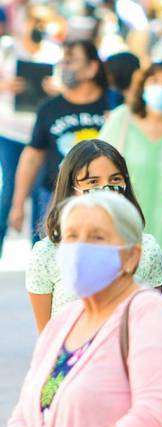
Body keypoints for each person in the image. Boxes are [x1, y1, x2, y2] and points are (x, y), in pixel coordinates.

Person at [5, 192, 162, 427]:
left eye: (97, 237)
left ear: (131, 256)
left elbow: (157, 417)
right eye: (71, 236)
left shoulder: (149, 314)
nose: (80, 248)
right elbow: (24, 412)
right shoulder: (65, 321)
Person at [26, 139, 162, 332]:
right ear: (71, 188)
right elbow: (46, 334)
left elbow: (152, 324)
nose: (106, 189)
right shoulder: (46, 254)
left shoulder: (146, 249)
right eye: (93, 182)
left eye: (115, 180)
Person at [98, 60, 162, 312]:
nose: (160, 87)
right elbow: (95, 165)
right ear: (142, 86)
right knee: (124, 312)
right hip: (123, 235)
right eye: (154, 81)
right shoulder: (121, 119)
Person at [9, 39, 117, 241]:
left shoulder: (114, 105)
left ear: (92, 68)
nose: (64, 67)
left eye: (71, 61)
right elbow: (32, 157)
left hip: (105, 199)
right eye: (63, 61)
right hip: (54, 197)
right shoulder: (49, 107)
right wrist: (18, 204)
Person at [0, 5, 62, 256]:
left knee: (40, 194)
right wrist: (6, 85)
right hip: (10, 132)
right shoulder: (7, 49)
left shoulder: (55, 53)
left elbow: (66, 89)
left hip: (40, 134)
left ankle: (38, 255)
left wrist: (55, 88)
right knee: (9, 190)